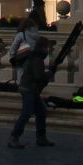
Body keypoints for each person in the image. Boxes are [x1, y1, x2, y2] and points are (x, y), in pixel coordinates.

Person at [7, 18, 53, 148]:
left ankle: (41, 137)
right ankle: (15, 137)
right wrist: (48, 75)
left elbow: (12, 52)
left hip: (28, 86)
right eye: (47, 47)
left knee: (41, 111)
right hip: (29, 89)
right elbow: (38, 76)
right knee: (27, 113)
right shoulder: (37, 59)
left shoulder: (33, 54)